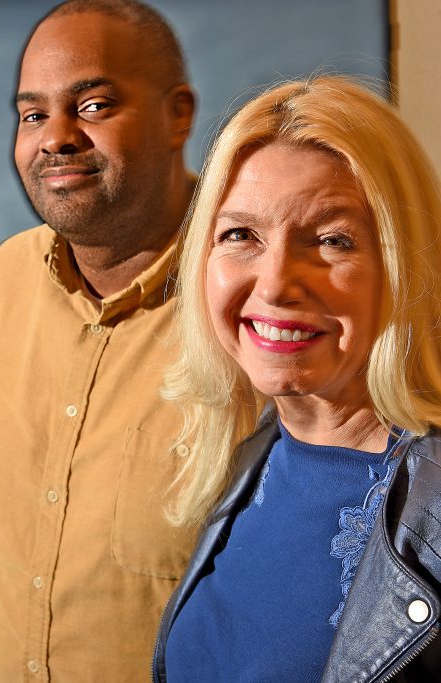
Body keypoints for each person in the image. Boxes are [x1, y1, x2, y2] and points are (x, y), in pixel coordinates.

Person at [0, 0, 197, 679]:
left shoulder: (260, 307)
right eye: (34, 114)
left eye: (93, 105)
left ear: (176, 114)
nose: (55, 137)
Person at [152, 76, 441, 682]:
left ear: (404, 263)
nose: (277, 282)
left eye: (332, 240)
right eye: (241, 235)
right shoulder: (254, 451)